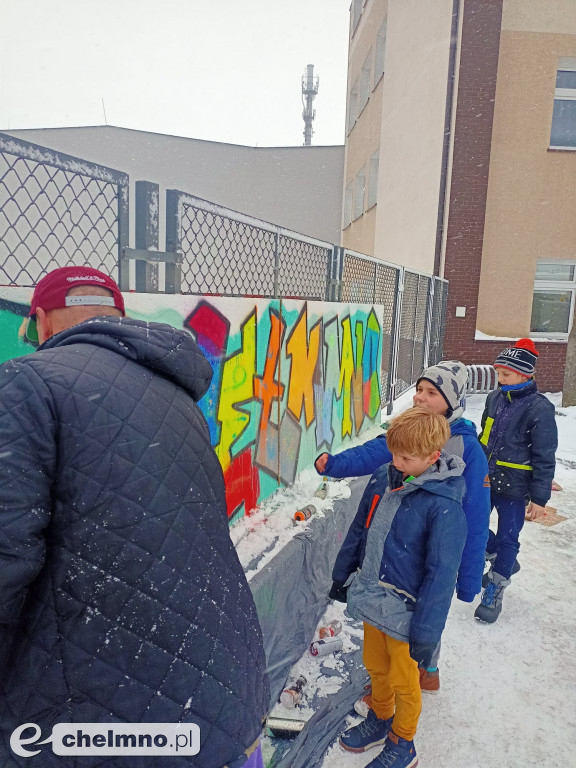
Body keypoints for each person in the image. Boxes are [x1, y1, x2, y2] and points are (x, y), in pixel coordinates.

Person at [0, 267, 269, 768]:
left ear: (40, 321)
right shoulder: (178, 396)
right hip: (228, 696)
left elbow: (6, 553)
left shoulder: (27, 384)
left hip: (112, 726)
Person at [316, 360, 490, 695]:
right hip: (399, 548)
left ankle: (423, 673)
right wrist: (336, 464)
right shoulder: (408, 430)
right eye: (419, 389)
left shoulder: (466, 448)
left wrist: (469, 579)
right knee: (395, 620)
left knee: (426, 614)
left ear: (452, 402)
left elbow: (475, 516)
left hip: (433, 549)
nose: (420, 397)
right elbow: (374, 452)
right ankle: (393, 680)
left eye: (432, 393)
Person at [330, 407, 467, 768]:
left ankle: (403, 742)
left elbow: (441, 574)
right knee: (375, 665)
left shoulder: (443, 506)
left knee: (404, 680)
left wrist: (427, 631)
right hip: (374, 598)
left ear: (432, 457)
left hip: (407, 612)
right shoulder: (386, 478)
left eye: (406, 458)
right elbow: (361, 529)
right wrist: (342, 574)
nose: (396, 462)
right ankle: (381, 717)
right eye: (394, 454)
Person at [474, 338, 557, 623]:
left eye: (506, 374)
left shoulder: (539, 408)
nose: (500, 379)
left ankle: (496, 586)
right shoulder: (494, 399)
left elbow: (544, 455)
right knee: (472, 524)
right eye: (498, 373)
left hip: (515, 487)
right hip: (486, 480)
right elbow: (484, 436)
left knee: (509, 537)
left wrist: (539, 498)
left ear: (525, 374)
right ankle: (500, 557)